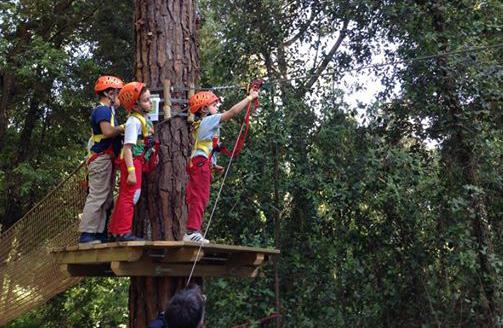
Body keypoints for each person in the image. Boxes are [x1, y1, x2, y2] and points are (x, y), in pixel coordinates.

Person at [183, 89, 259, 243]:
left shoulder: (202, 123)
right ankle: (192, 232)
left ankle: (192, 231)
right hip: (200, 164)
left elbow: (204, 147)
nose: (217, 107)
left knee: (198, 197)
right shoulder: (208, 120)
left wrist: (214, 165)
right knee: (200, 198)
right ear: (204, 109)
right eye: (213, 104)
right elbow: (232, 112)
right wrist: (249, 97)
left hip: (199, 163)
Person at [108, 81, 157, 241]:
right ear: (135, 105)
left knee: (126, 195)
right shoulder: (133, 122)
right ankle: (123, 232)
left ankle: (115, 231)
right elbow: (128, 148)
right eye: (145, 100)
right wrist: (131, 171)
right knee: (130, 196)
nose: (149, 103)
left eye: (149, 99)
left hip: (137, 161)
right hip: (131, 162)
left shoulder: (141, 120)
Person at [78, 75, 124, 244]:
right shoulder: (102, 110)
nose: (119, 97)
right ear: (109, 93)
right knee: (98, 196)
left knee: (107, 197)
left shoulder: (110, 112)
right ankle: (87, 234)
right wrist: (124, 128)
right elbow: (107, 132)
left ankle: (99, 233)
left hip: (108, 158)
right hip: (101, 158)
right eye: (117, 93)